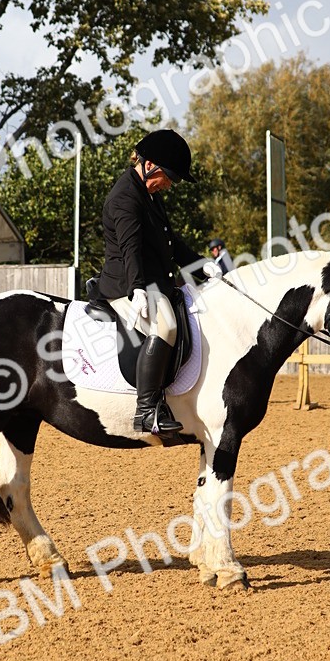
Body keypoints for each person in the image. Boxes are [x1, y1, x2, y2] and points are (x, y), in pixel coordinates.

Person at [97, 129, 221, 434]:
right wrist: (136, 287)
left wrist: (201, 265)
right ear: (149, 163)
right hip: (127, 283)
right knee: (165, 325)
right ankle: (147, 409)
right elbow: (131, 248)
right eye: (168, 176)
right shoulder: (125, 197)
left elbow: (170, 242)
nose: (170, 184)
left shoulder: (149, 195)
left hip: (153, 282)